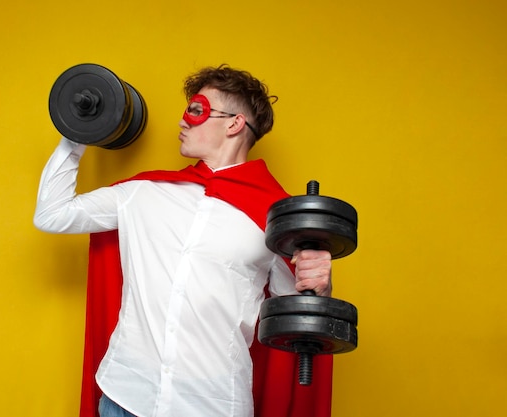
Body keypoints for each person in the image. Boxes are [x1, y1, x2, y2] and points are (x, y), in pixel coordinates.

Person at [34, 64, 333, 417]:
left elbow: (296, 315)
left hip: (213, 406)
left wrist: (319, 285)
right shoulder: (144, 192)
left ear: (235, 124)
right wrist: (78, 129)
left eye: (196, 110)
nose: (182, 121)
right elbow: (52, 214)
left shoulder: (276, 217)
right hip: (125, 397)